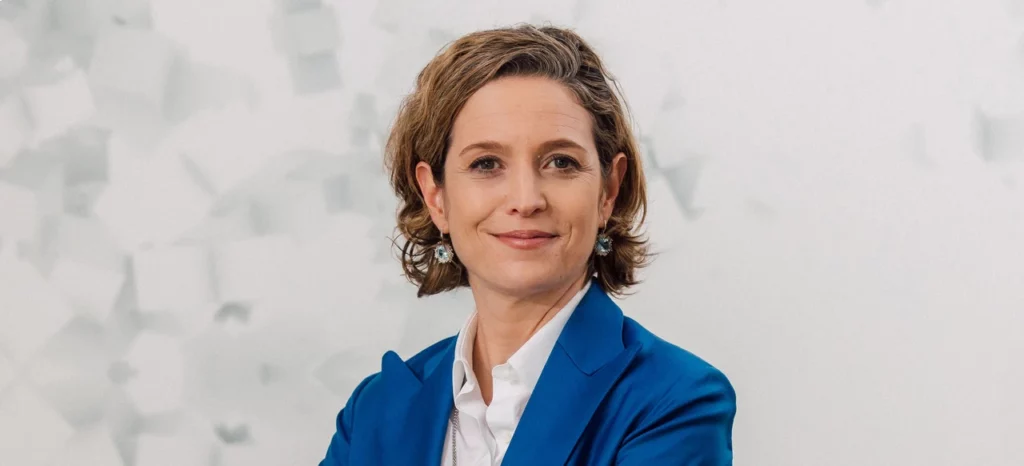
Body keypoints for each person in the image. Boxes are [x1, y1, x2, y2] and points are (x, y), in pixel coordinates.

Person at [318, 24, 736, 466]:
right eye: (486, 164)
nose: (525, 199)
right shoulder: (375, 411)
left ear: (608, 191)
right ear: (435, 196)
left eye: (561, 162)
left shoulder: (674, 401)